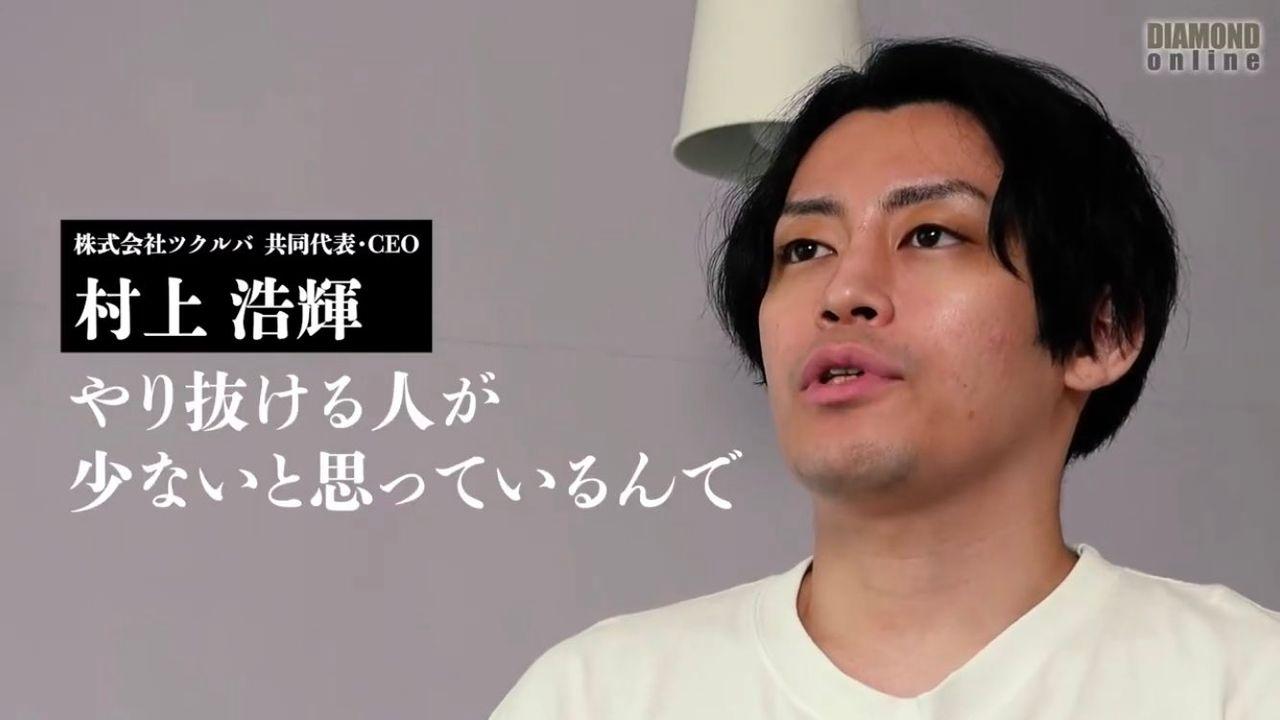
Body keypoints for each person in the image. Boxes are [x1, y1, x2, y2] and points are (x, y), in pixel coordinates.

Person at [490, 37, 1280, 718]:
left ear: (1102, 333)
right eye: (805, 249)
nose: (844, 291)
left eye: (930, 234)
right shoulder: (598, 697)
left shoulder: (1239, 684)